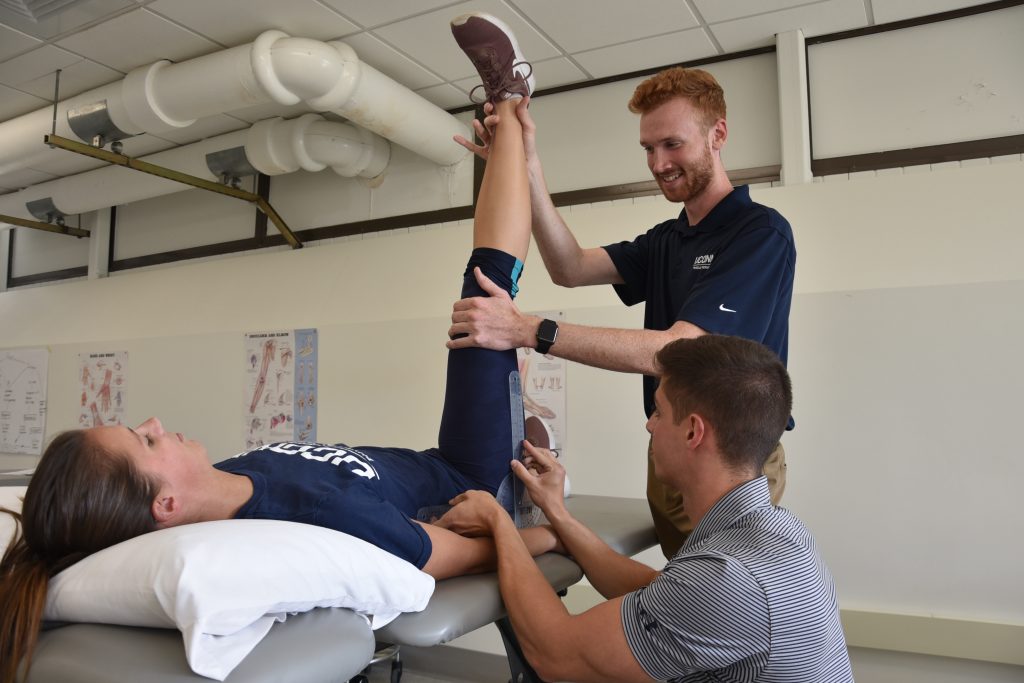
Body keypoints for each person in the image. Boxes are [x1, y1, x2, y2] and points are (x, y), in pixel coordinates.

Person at [0, 20, 551, 682]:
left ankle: (525, 412)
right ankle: (514, 98)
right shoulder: (306, 516)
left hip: (432, 459)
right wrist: (559, 532)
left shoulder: (230, 477)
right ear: (165, 506)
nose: (151, 423)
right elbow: (456, 554)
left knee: (480, 315)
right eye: (142, 443)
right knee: (485, 300)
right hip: (471, 478)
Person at [450, 59, 796, 557]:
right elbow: (569, 267)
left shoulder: (759, 234)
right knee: (685, 598)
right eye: (648, 149)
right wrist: (525, 168)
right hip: (670, 449)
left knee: (722, 606)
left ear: (717, 134)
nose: (657, 163)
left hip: (731, 461)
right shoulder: (667, 240)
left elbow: (679, 349)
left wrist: (528, 331)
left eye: (672, 144)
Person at [438, 333, 853, 682]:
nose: (650, 424)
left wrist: (497, 520)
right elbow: (656, 591)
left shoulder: (730, 579)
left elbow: (555, 655)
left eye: (659, 411)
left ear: (693, 431)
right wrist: (559, 515)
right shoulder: (777, 531)